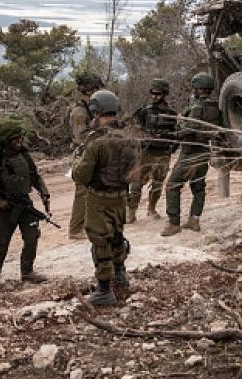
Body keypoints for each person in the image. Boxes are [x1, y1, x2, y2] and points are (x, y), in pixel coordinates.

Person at [72, 89, 139, 306]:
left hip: (99, 199)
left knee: (100, 241)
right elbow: (135, 173)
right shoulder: (130, 138)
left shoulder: (96, 142)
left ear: (96, 112)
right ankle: (120, 275)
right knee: (117, 236)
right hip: (120, 197)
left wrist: (75, 161)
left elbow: (81, 176)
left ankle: (104, 289)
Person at [0, 119, 52, 292]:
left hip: (25, 204)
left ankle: (27, 272)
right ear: (6, 140)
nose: (19, 141)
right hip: (5, 209)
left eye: (20, 137)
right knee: (1, 243)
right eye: (15, 138)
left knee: (32, 237)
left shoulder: (25, 156)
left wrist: (44, 193)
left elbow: (35, 177)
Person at [162, 73, 222, 236]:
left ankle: (174, 224)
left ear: (198, 89)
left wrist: (179, 124)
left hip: (190, 153)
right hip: (204, 151)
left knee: (172, 185)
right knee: (198, 187)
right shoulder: (215, 107)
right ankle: (194, 220)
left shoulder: (197, 107)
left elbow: (190, 129)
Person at [126, 78, 177, 223]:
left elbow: (176, 133)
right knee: (136, 183)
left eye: (158, 94)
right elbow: (134, 129)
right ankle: (131, 212)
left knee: (158, 183)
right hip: (146, 153)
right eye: (152, 93)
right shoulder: (144, 112)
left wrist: (171, 147)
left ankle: (151, 209)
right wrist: (143, 137)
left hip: (163, 154)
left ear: (164, 94)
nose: (154, 96)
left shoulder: (171, 113)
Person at [68, 72, 104, 240]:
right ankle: (75, 230)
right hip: (83, 155)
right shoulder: (80, 112)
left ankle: (87, 225)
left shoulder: (89, 109)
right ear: (90, 91)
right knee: (82, 193)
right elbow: (80, 138)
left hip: (90, 153)